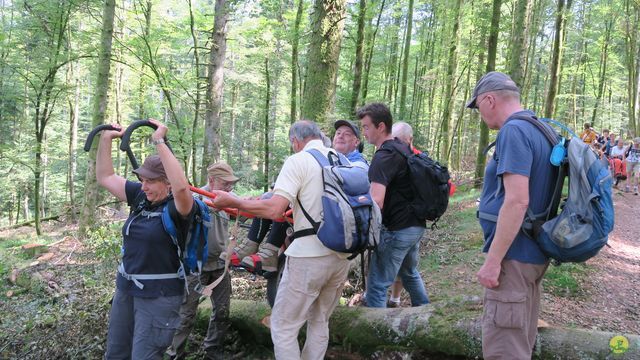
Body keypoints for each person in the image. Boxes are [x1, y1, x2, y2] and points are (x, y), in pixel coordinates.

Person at [211, 120, 352, 359]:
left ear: (295, 141)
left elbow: (275, 210)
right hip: (343, 255)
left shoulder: (299, 161)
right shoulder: (342, 160)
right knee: (319, 322)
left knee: (283, 326)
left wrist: (233, 202)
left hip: (309, 256)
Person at [467, 71, 555, 359]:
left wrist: (493, 262)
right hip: (533, 253)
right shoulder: (540, 129)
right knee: (520, 344)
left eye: (478, 106)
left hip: (514, 259)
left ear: (489, 99)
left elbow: (517, 201)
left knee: (505, 351)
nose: (479, 114)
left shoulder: (514, 131)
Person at [97, 120, 196, 359]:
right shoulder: (141, 197)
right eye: (142, 179)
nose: (144, 186)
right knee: (116, 354)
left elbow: (183, 189)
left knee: (145, 356)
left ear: (168, 183)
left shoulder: (179, 207)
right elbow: (105, 176)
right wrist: (105, 139)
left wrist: (159, 141)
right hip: (126, 290)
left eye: (151, 181)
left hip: (159, 296)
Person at [232, 119, 369, 273]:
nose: (340, 137)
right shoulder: (333, 157)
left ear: (357, 142)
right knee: (271, 199)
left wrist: (236, 202)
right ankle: (260, 248)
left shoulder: (354, 163)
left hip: (328, 228)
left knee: (282, 202)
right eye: (338, 133)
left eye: (347, 134)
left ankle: (267, 250)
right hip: (327, 227)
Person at [357, 103, 430, 308]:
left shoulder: (384, 155)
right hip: (415, 225)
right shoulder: (403, 148)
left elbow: (376, 201)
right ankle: (425, 317)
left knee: (377, 285)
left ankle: (374, 333)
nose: (364, 132)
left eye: (366, 127)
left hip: (397, 229)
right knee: (409, 273)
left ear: (380, 127)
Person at [167, 162, 239, 360]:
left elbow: (247, 206)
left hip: (220, 266)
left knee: (222, 311)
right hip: (195, 267)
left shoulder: (229, 200)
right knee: (186, 314)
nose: (229, 187)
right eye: (225, 183)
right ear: (211, 180)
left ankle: (213, 350)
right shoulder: (195, 199)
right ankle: (175, 354)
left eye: (231, 184)